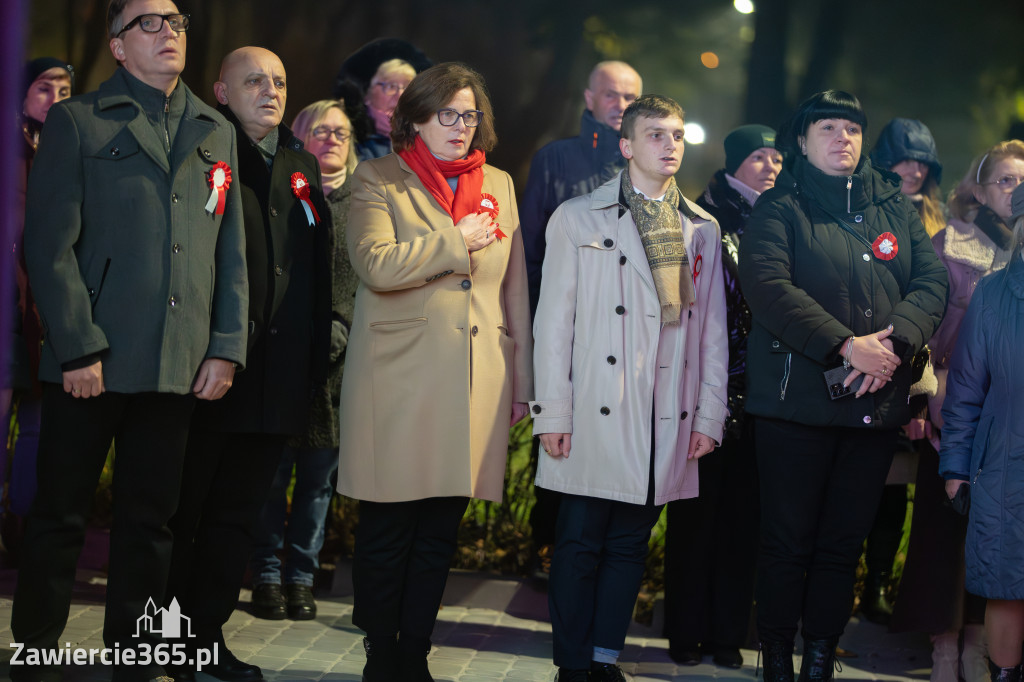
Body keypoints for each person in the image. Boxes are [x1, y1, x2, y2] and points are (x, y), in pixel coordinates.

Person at [12, 1, 248, 680]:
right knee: (59, 519)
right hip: (91, 363)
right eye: (148, 22)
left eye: (174, 20)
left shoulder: (214, 129)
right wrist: (78, 347)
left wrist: (225, 345)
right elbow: (49, 246)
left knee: (151, 527)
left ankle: (135, 661)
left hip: (176, 365)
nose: (167, 30)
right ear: (117, 47)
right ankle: (34, 651)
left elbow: (228, 252)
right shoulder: (77, 120)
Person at [737, 90, 948, 681]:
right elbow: (769, 287)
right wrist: (845, 345)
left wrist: (895, 344)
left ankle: (821, 658)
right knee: (787, 543)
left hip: (871, 409)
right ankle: (777, 656)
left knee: (842, 544)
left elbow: (931, 282)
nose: (842, 138)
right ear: (801, 141)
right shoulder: (781, 207)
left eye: (852, 129)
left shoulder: (895, 207)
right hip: (793, 408)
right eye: (827, 127)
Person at [336, 62, 533, 681]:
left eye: (470, 115)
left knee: (440, 531)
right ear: (415, 118)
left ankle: (414, 652)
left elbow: (515, 291)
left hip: (476, 376)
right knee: (390, 525)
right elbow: (376, 264)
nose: (459, 126)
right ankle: (379, 650)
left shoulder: (497, 183)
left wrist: (522, 380)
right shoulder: (378, 178)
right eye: (446, 114)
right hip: (398, 378)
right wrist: (456, 237)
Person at [532, 94, 728, 682]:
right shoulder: (577, 217)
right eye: (655, 135)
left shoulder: (701, 228)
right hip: (597, 403)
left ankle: (604, 659)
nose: (670, 145)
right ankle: (572, 664)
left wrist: (708, 418)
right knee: (579, 543)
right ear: (626, 146)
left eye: (677, 135)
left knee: (628, 546)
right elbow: (553, 324)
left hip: (664, 408)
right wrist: (553, 414)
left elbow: (711, 333)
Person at [165, 47, 330, 682]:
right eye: (255, 80)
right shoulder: (206, 154)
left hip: (277, 377)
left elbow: (313, 272)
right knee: (187, 515)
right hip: (211, 371)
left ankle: (208, 641)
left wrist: (312, 367)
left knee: (236, 520)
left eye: (281, 81)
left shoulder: (298, 165)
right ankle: (169, 643)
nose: (271, 91)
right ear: (220, 91)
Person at [895, 140, 1024, 682]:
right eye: (1005, 181)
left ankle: (981, 648)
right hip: (962, 408)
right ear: (979, 188)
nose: (1014, 191)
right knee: (957, 543)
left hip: (998, 417)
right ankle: (948, 645)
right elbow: (934, 330)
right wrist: (927, 395)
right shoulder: (954, 245)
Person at [662, 124, 781, 667]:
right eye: (759, 156)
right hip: (710, 384)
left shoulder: (781, 218)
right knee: (696, 515)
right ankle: (686, 632)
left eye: (778, 157)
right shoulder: (704, 215)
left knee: (744, 517)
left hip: (762, 394)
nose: (771, 165)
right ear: (734, 162)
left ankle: (728, 634)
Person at [519, 60, 642, 579]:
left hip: (628, 331)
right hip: (564, 326)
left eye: (631, 98)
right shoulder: (556, 159)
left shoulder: (647, 164)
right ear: (589, 99)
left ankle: (598, 554)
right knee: (558, 434)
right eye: (611, 96)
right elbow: (528, 248)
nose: (621, 106)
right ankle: (545, 545)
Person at [249, 99, 359, 621]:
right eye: (321, 130)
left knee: (317, 483)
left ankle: (301, 576)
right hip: (281, 357)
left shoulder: (368, 198)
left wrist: (342, 324)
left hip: (340, 368)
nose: (333, 139)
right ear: (299, 136)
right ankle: (266, 573)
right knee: (270, 476)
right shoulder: (282, 189)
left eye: (342, 132)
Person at [939, 181, 1024, 682]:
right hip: (1006, 466)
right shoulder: (994, 293)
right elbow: (966, 387)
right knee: (1008, 587)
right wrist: (955, 465)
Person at [4, 57, 75, 560]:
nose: (55, 99)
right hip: (10, 307)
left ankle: (22, 524)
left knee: (39, 424)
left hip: (49, 310)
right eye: (44, 88)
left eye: (65, 90)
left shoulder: (74, 149)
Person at [333, 38, 431, 161]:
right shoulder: (344, 142)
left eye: (407, 87)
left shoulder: (431, 142)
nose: (400, 95)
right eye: (391, 86)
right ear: (366, 95)